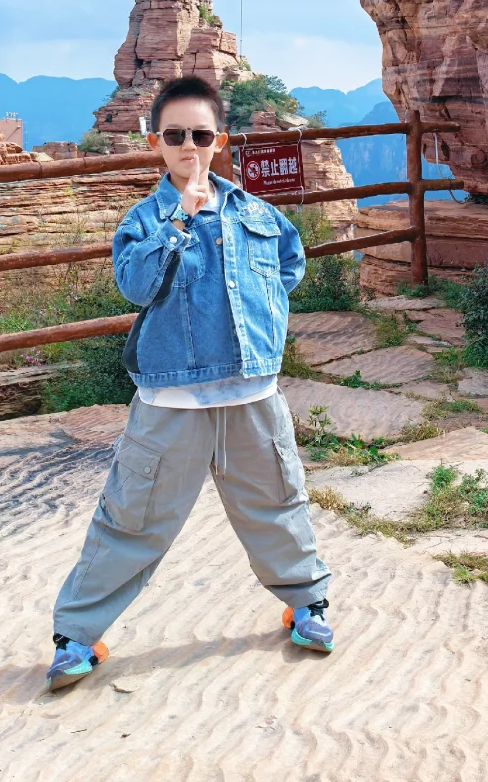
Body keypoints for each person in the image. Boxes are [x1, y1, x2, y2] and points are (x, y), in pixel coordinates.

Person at [46, 74, 333, 689]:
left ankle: (306, 604)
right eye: (174, 135)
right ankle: (75, 637)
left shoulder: (258, 213)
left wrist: (264, 325)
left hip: (252, 393)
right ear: (157, 142)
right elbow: (136, 286)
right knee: (133, 518)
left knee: (277, 503)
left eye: (200, 134)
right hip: (170, 399)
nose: (188, 146)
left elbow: (289, 265)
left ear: (219, 139)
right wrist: (181, 219)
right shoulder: (142, 221)